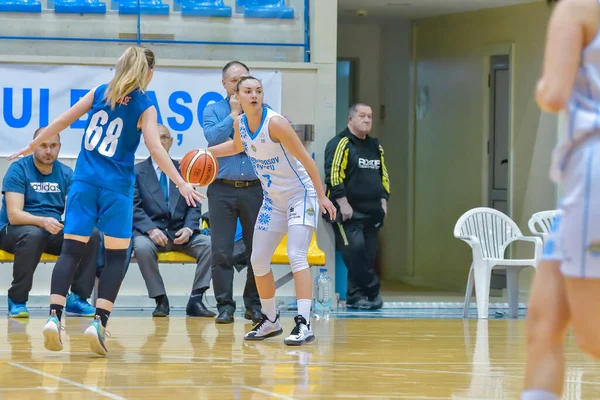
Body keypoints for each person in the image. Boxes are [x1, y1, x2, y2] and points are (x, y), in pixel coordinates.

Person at [8, 46, 204, 356]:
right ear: (149, 73)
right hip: (116, 188)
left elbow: (62, 120)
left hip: (84, 183)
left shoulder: (101, 92)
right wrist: (181, 182)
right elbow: (155, 148)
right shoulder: (145, 104)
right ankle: (98, 323)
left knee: (71, 251)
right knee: (116, 256)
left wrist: (30, 144)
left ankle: (54, 316)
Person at [207, 75, 337, 346]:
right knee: (258, 260)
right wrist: (206, 153)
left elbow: (306, 160)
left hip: (301, 195)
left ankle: (303, 323)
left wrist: (322, 196)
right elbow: (236, 147)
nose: (254, 95)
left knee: (296, 255)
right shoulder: (240, 123)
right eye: (248, 91)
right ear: (237, 97)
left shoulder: (276, 123)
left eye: (258, 90)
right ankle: (270, 321)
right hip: (273, 200)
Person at [522, 0, 600, 399]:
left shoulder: (578, 7)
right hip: (579, 183)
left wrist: (542, 83)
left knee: (592, 337)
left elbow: (553, 94)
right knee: (543, 321)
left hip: (594, 173)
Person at [0, 128, 99, 318]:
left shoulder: (66, 173)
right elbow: (14, 215)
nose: (48, 151)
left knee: (90, 234)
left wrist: (77, 224)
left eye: (53, 146)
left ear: (59, 147)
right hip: (13, 231)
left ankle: (77, 298)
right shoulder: (18, 170)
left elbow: (73, 210)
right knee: (33, 234)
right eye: (43, 146)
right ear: (33, 146)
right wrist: (42, 221)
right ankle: (17, 300)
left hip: (50, 229)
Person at [203, 60, 262, 324]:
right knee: (222, 251)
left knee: (257, 251)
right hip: (221, 189)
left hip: (254, 189)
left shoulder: (263, 110)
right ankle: (225, 306)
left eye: (245, 79)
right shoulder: (213, 109)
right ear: (225, 84)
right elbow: (213, 139)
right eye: (234, 80)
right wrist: (234, 115)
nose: (240, 85)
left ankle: (254, 304)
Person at [132, 124, 213, 318]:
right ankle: (161, 299)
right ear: (147, 142)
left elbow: (194, 205)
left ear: (171, 141)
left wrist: (188, 228)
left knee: (210, 245)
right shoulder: (136, 172)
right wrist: (151, 229)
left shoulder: (185, 169)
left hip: (181, 232)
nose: (160, 142)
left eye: (164, 138)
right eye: (156, 138)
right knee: (141, 247)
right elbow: (133, 207)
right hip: (152, 233)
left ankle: (196, 299)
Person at [324, 103, 389, 310]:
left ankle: (355, 297)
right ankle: (373, 289)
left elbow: (383, 175)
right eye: (362, 116)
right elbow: (333, 175)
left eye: (370, 116)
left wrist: (383, 200)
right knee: (355, 251)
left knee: (366, 256)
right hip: (348, 213)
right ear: (351, 119)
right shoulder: (341, 143)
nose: (367, 120)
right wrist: (343, 203)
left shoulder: (375, 146)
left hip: (372, 213)